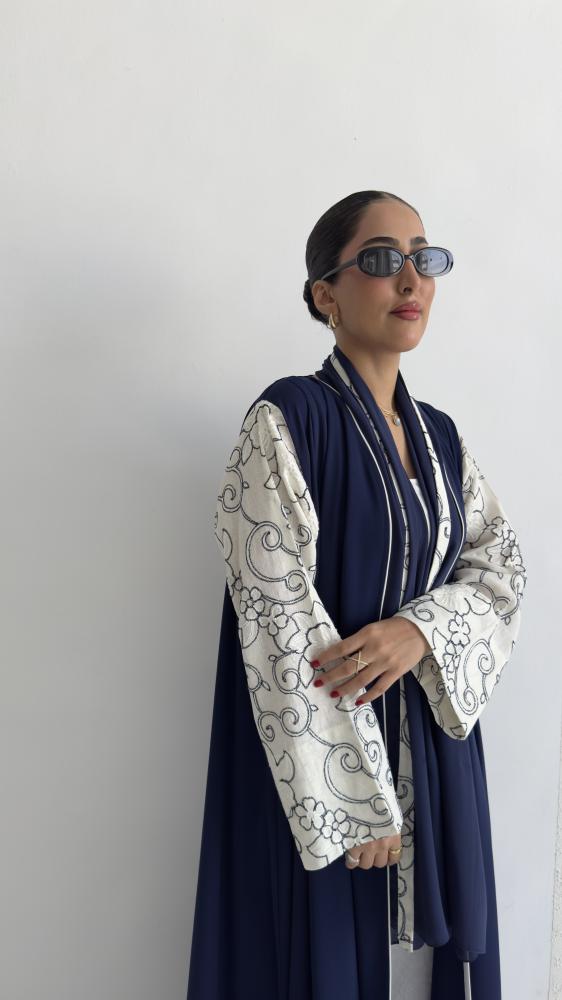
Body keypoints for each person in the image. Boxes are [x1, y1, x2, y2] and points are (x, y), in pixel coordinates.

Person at [185, 190, 527, 1000]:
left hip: (435, 758)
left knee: (425, 970)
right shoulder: (287, 419)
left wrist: (421, 631)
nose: (411, 278)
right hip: (323, 770)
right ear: (325, 294)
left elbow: (501, 570)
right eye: (381, 259)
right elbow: (274, 613)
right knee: (323, 962)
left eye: (424, 258)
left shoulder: (442, 438)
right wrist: (353, 802)